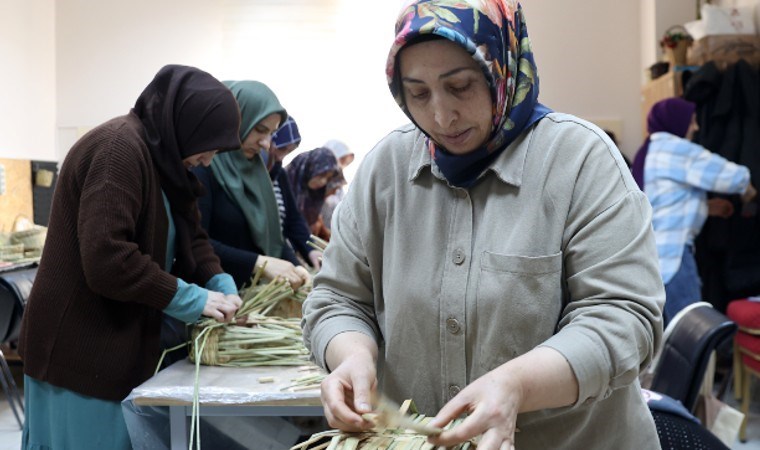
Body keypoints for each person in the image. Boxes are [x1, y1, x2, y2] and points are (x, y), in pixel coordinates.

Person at [301, 1, 665, 449]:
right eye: (417, 93)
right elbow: (336, 297)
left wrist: (517, 385)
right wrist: (351, 356)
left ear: (503, 67)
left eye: (460, 87)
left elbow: (624, 318)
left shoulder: (579, 161)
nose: (440, 116)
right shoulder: (386, 170)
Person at [17, 64, 244, 449]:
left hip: (114, 343)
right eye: (210, 147)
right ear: (186, 124)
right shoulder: (118, 149)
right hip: (79, 349)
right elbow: (108, 259)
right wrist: (193, 299)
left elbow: (194, 238)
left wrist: (219, 283)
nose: (209, 160)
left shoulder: (166, 163)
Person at [632, 97, 756, 324]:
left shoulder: (649, 151)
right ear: (677, 122)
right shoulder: (675, 148)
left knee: (667, 335)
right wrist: (748, 188)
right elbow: (730, 175)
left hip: (649, 256)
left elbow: (663, 202)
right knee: (692, 331)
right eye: (692, 121)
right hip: (673, 256)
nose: (697, 127)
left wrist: (706, 208)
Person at [193, 80, 312, 290]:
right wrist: (259, 263)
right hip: (213, 299)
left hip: (248, 300)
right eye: (259, 130)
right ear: (237, 120)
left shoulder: (256, 170)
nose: (266, 143)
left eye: (270, 134)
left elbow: (271, 234)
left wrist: (295, 265)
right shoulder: (204, 166)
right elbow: (196, 242)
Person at [269, 116, 323, 269]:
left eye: (288, 152)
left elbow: (293, 218)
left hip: (276, 261)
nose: (281, 157)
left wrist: (310, 249)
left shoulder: (279, 174)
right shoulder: (251, 174)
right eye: (280, 148)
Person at [286, 147, 345, 241]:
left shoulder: (314, 198)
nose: (323, 182)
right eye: (321, 175)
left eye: (328, 179)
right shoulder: (282, 186)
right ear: (310, 168)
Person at [321, 139, 355, 231]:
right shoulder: (318, 180)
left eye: (345, 162)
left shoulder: (339, 187)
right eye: (341, 160)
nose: (341, 165)